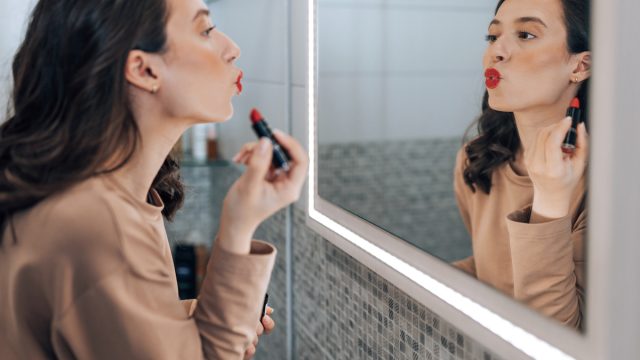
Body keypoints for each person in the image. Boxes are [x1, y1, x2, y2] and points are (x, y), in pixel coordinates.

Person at [0, 0, 308, 358]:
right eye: (206, 30)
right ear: (144, 70)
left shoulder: (101, 197)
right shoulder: (99, 227)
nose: (232, 48)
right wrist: (239, 229)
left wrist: (184, 319)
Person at [453, 0, 590, 329]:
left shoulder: (615, 185)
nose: (497, 51)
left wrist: (550, 202)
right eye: (493, 36)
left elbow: (559, 335)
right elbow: (495, 270)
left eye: (526, 35)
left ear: (581, 66)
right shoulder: (476, 161)